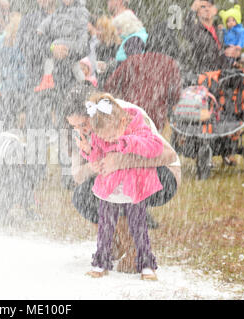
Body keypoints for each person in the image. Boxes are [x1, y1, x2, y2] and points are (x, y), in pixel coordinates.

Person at [75, 92, 179, 280]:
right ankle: (101, 261)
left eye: (111, 136)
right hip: (110, 186)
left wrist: (127, 143)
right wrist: (91, 154)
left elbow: (154, 147)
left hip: (134, 186)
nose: (108, 141)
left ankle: (146, 264)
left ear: (122, 122)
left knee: (138, 224)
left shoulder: (137, 125)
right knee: (105, 225)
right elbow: (98, 153)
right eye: (103, 137)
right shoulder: (101, 129)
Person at [103, 52, 182, 132]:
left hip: (130, 114)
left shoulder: (132, 60)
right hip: (155, 117)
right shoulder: (170, 64)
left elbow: (110, 85)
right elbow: (176, 95)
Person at [34, 0, 90, 92]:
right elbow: (36, 39)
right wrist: (42, 30)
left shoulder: (80, 12)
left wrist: (71, 49)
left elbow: (83, 43)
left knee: (73, 64)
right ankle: (82, 82)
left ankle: (82, 84)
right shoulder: (58, 11)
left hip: (71, 45)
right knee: (73, 64)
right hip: (54, 78)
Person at [181, 0, 240, 84]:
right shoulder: (195, 30)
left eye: (209, 6)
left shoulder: (220, 31)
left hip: (224, 78)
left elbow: (227, 52)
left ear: (215, 11)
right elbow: (186, 27)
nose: (207, 9)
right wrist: (193, 9)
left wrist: (236, 53)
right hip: (205, 79)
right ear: (198, 13)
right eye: (203, 7)